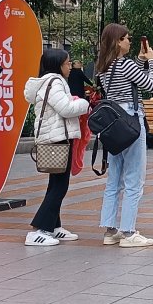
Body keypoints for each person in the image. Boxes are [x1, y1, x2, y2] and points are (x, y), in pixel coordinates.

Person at [95, 23, 153, 247]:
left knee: (114, 180)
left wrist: (140, 61)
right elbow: (152, 85)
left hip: (114, 124)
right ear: (117, 42)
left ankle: (110, 230)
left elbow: (128, 79)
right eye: (126, 38)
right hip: (132, 121)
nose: (130, 41)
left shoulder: (104, 67)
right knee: (134, 179)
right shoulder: (125, 65)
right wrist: (151, 61)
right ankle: (129, 233)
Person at [23, 49, 90, 247]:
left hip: (57, 137)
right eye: (68, 63)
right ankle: (38, 230)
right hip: (57, 139)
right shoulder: (54, 82)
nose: (70, 67)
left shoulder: (50, 82)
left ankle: (53, 226)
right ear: (58, 65)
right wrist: (84, 103)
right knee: (59, 186)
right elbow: (66, 109)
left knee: (56, 184)